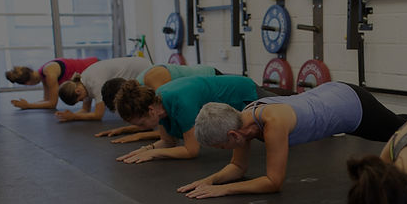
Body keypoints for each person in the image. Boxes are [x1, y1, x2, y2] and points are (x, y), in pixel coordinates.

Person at [177, 81, 407, 199]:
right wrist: (208, 181)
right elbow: (238, 167)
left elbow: (273, 182)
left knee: (401, 131)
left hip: (353, 106)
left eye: (221, 146)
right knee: (399, 124)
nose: (222, 150)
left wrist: (223, 191)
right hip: (330, 96)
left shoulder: (272, 122)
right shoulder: (241, 121)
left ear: (232, 135)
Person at [114, 74, 276, 164]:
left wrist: (154, 154)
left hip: (243, 92)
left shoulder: (180, 102)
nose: (142, 128)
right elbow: (168, 142)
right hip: (230, 92)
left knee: (284, 119)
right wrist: (146, 149)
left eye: (141, 123)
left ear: (150, 111)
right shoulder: (158, 106)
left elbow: (191, 150)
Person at [94, 63, 221, 142]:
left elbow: (171, 129)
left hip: (214, 81)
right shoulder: (140, 91)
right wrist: (125, 129)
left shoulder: (154, 82)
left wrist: (140, 136)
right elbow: (152, 122)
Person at [55, 56, 151, 122]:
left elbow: (98, 115)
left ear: (78, 91)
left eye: (80, 100)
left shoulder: (94, 82)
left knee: (146, 100)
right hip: (137, 63)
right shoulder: (82, 82)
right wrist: (69, 115)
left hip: (141, 68)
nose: (82, 100)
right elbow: (85, 110)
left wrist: (74, 117)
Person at [5, 56, 98, 110]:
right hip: (91, 65)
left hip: (94, 66)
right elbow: (46, 100)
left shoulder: (49, 74)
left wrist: (28, 106)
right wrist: (28, 103)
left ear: (27, 83)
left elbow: (52, 104)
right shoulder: (42, 73)